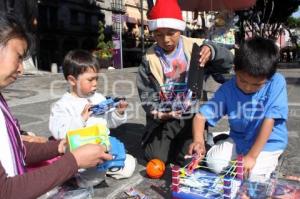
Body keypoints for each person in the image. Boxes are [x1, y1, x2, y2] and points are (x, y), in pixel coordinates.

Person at [0, 13, 112, 199]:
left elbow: (17, 150)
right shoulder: (62, 105)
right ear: (72, 80)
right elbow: (5, 191)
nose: (21, 69)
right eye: (18, 57)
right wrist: (73, 161)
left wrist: (59, 147)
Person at [136, 0, 233, 166]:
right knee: (154, 158)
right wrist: (158, 113)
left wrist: (213, 51)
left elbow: (227, 62)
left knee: (190, 160)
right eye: (159, 34)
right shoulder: (149, 58)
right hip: (165, 119)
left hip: (191, 117)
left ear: (180, 29)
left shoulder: (196, 46)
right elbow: (146, 94)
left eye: (171, 32)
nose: (165, 39)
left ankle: (197, 140)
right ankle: (168, 144)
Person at [188, 36, 288, 182]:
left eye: (256, 85)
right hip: (239, 139)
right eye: (242, 80)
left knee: (253, 176)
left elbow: (269, 120)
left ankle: (270, 159)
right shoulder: (228, 88)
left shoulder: (277, 82)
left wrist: (252, 157)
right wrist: (198, 141)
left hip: (268, 143)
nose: (247, 87)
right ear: (235, 70)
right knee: (213, 162)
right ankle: (230, 144)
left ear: (268, 78)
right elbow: (200, 116)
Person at [49, 49, 136, 181]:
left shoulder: (98, 98)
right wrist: (81, 118)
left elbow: (109, 122)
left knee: (129, 163)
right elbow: (60, 133)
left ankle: (105, 168)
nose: (95, 83)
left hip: (103, 147)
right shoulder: (62, 105)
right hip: (80, 153)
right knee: (88, 178)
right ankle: (83, 174)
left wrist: (119, 112)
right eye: (90, 80)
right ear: (72, 80)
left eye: (96, 78)